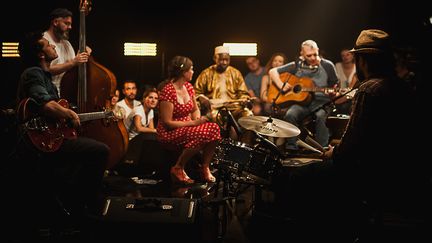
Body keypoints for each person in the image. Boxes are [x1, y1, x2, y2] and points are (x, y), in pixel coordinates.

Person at [321, 29, 428, 240]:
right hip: (403, 173)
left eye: (357, 58)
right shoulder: (402, 86)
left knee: (309, 175)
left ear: (364, 61)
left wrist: (333, 153)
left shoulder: (369, 89)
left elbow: (351, 146)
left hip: (374, 175)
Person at [15, 31, 109, 220]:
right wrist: (68, 113)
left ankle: (73, 203)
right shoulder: (34, 73)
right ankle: (84, 204)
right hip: (41, 142)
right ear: (41, 54)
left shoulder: (45, 75)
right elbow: (45, 104)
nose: (53, 46)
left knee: (86, 150)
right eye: (48, 45)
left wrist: (75, 117)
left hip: (52, 138)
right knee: (101, 150)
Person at [158, 56, 221, 184]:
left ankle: (205, 167)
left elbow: (194, 109)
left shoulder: (189, 87)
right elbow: (167, 123)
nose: (193, 72)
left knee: (214, 128)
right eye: (191, 69)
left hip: (186, 127)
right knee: (201, 133)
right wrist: (193, 123)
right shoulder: (168, 91)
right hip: (169, 132)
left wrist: (197, 119)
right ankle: (178, 167)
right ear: (183, 72)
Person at [269, 40, 338, 151]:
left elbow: (335, 85)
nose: (313, 58)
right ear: (302, 54)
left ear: (318, 51)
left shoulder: (327, 65)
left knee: (321, 116)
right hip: (302, 102)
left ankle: (322, 149)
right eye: (308, 55)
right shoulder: (297, 65)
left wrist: (333, 93)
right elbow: (272, 71)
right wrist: (281, 84)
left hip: (322, 102)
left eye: (315, 54)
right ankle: (292, 146)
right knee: (290, 114)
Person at [194, 46, 252, 140]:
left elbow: (243, 92)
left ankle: (244, 147)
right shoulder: (206, 73)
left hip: (234, 107)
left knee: (248, 115)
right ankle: (217, 148)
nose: (224, 62)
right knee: (213, 116)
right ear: (215, 58)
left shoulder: (235, 73)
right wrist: (201, 97)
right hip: (215, 108)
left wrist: (245, 99)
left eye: (227, 60)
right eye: (221, 60)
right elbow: (196, 92)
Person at [43, 8, 91, 96]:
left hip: (67, 93)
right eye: (66, 23)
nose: (70, 27)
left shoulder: (66, 43)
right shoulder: (44, 41)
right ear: (55, 22)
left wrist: (82, 55)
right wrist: (73, 62)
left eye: (70, 24)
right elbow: (47, 69)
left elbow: (73, 66)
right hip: (48, 93)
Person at [333, 48, 358, 115]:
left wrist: (343, 99)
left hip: (352, 96)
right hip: (340, 95)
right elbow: (337, 84)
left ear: (352, 55)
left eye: (348, 54)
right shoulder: (337, 66)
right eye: (343, 55)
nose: (345, 57)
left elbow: (352, 88)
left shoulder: (357, 67)